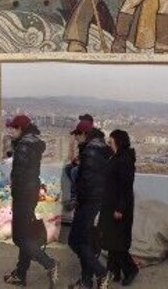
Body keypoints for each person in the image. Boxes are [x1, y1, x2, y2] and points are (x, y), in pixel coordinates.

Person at [2, 115, 59, 288]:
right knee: (25, 233)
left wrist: (14, 190)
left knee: (20, 237)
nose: (11, 131)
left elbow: (19, 174)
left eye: (14, 128)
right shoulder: (33, 143)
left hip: (23, 194)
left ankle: (49, 264)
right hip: (31, 191)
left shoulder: (24, 146)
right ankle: (20, 273)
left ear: (21, 128)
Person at [68, 114, 111, 289]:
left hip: (88, 202)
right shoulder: (98, 147)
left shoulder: (90, 152)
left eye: (77, 134)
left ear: (84, 133)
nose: (76, 138)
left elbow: (87, 181)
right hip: (95, 201)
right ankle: (86, 282)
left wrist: (77, 199)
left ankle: (101, 272)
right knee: (84, 242)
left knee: (75, 241)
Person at [100, 130, 138, 286]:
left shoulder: (124, 160)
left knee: (118, 242)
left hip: (118, 207)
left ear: (118, 142)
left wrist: (120, 209)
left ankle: (131, 269)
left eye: (111, 142)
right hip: (110, 205)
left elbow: (125, 187)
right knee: (110, 239)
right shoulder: (117, 157)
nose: (109, 145)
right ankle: (113, 272)